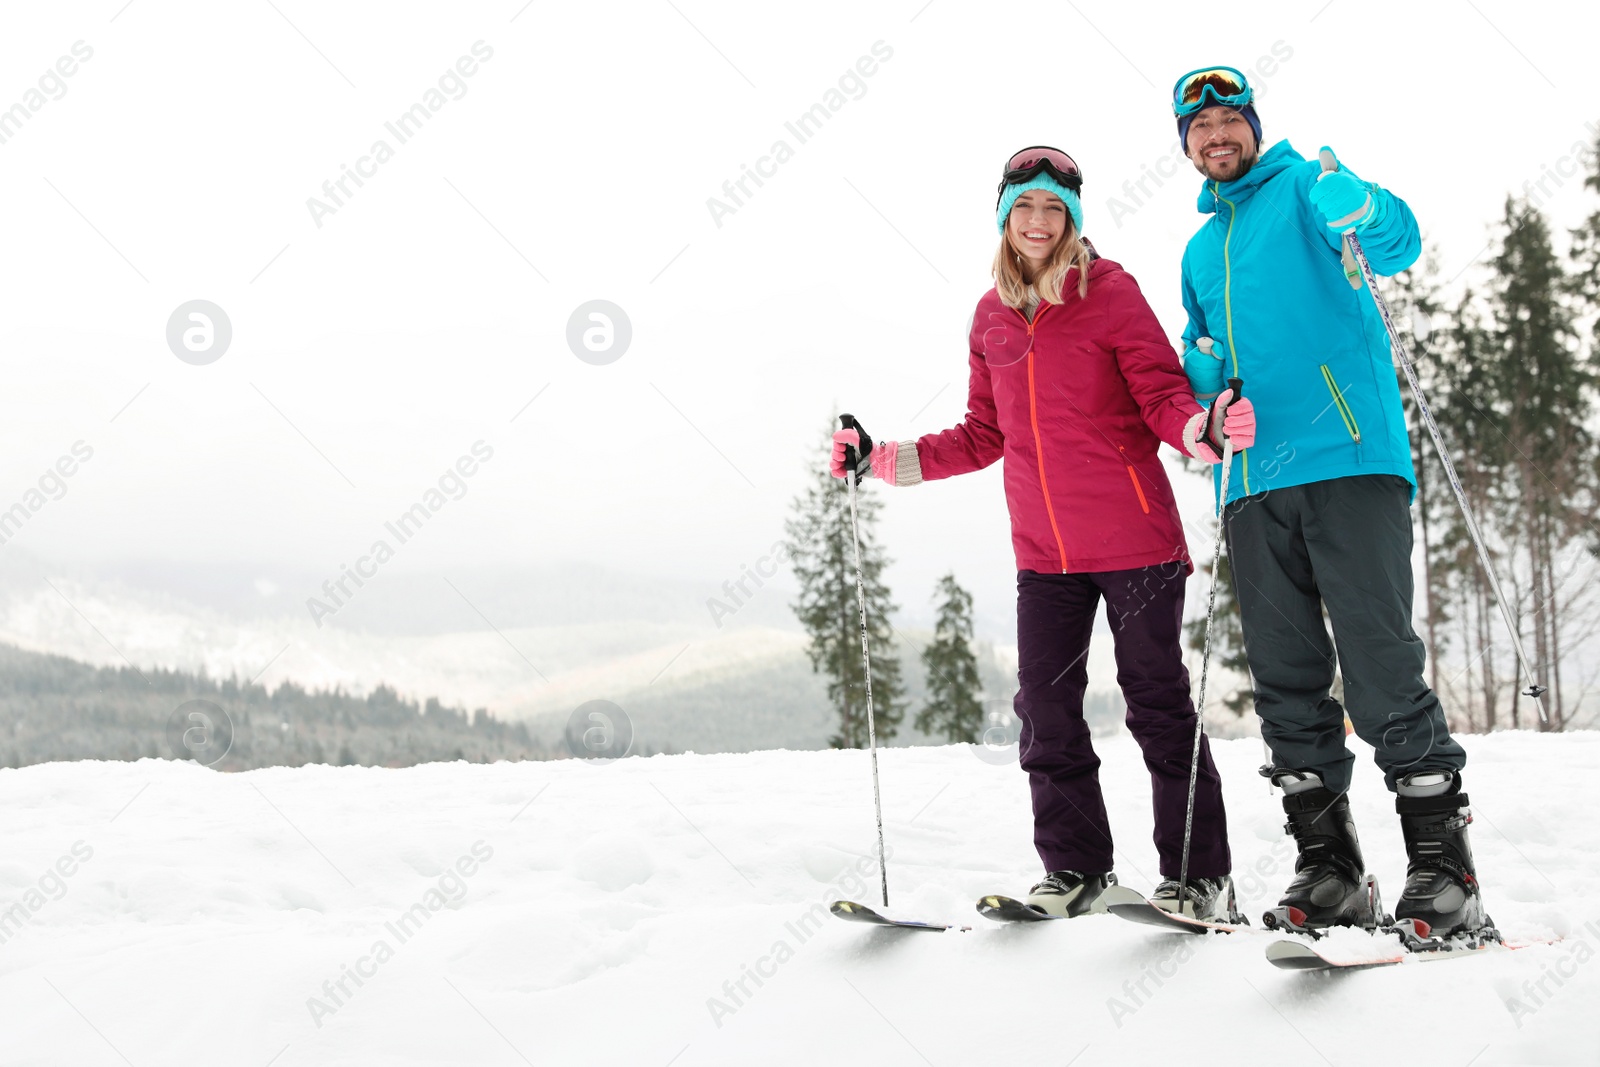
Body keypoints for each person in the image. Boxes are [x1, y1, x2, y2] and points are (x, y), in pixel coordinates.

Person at [829, 146, 1254, 920]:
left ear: (1072, 220)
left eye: (1053, 209)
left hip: (1138, 543)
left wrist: (1204, 431)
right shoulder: (990, 315)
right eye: (1024, 208)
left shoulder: (1112, 291)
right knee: (1045, 710)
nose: (1038, 222)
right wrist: (881, 460)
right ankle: (1078, 870)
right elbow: (982, 433)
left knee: (1157, 703)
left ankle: (1201, 878)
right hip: (1045, 555)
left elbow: (1160, 393)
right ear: (1004, 218)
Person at [1171, 66, 1486, 938]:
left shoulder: (1309, 184)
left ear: (1252, 127)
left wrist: (1366, 206)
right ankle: (1333, 868)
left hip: (1348, 458)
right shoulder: (1200, 251)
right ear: (1186, 146)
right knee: (1285, 682)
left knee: (1381, 664)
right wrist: (1203, 387)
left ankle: (1443, 870)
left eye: (1229, 118)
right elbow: (1206, 357)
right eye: (1200, 128)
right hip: (1251, 482)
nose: (1217, 135)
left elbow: (1396, 245)